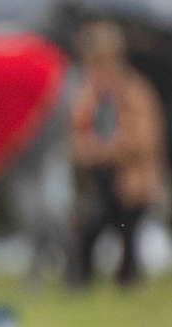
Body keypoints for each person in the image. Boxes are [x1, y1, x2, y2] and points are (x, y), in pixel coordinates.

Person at [66, 20, 166, 287]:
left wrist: (101, 150)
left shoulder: (135, 91)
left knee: (127, 238)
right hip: (97, 180)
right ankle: (80, 283)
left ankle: (127, 284)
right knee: (88, 232)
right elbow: (74, 136)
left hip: (130, 181)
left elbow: (144, 140)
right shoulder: (87, 95)